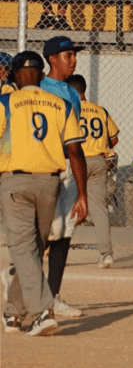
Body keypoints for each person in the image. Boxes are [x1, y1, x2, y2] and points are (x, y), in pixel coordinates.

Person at [1, 50, 88, 336]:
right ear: (40, 75)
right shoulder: (62, 104)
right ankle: (14, 313)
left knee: (24, 249)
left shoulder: (6, 101)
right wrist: (83, 194)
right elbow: (75, 151)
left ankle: (42, 312)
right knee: (34, 249)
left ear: (15, 76)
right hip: (50, 183)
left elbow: (1, 141)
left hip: (15, 180)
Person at [40, 36, 86, 318]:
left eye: (74, 55)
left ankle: (52, 296)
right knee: (43, 230)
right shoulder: (39, 87)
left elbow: (74, 142)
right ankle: (22, 284)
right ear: (53, 59)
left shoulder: (71, 93)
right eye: (68, 55)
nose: (74, 60)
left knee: (65, 230)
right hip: (45, 166)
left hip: (68, 165)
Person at [65, 75, 120, 269]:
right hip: (99, 161)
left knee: (67, 206)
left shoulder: (70, 109)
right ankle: (106, 254)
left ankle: (50, 249)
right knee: (99, 209)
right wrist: (99, 145)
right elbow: (114, 138)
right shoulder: (100, 110)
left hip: (78, 161)